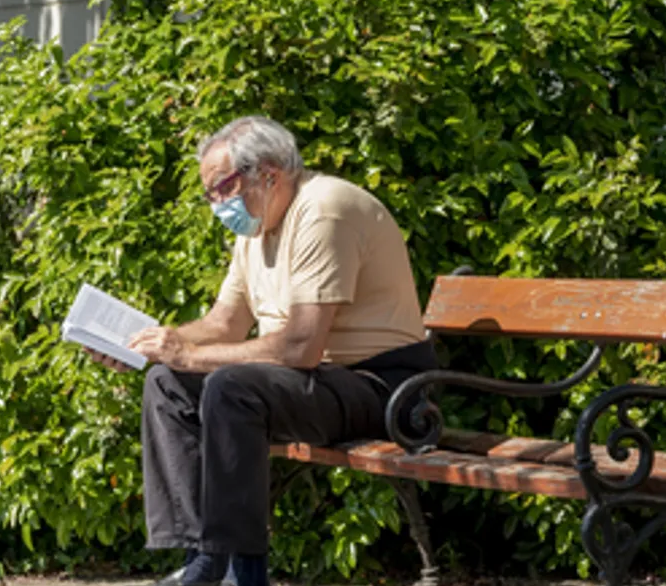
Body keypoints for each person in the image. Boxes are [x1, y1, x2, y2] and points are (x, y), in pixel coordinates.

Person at [92, 116, 436, 586]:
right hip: (316, 382)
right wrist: (151, 345)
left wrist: (190, 356)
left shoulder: (324, 210)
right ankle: (203, 557)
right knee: (168, 384)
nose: (217, 204)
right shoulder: (255, 229)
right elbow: (224, 323)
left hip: (382, 388)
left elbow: (301, 345)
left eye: (222, 188)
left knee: (233, 386)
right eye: (209, 194)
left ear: (268, 174)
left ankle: (243, 574)